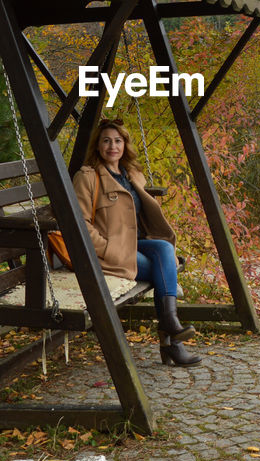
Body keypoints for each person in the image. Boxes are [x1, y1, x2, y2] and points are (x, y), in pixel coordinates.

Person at [72, 117, 202, 367]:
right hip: (113, 251)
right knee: (163, 270)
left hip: (139, 242)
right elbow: (81, 224)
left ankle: (170, 326)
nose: (113, 146)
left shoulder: (132, 174)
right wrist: (107, 249)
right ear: (97, 146)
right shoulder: (87, 177)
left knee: (164, 248)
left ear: (125, 145)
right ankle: (172, 340)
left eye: (118, 141)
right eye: (106, 141)